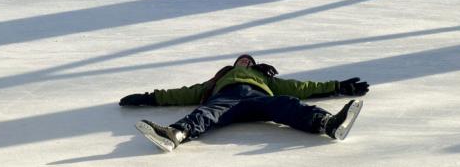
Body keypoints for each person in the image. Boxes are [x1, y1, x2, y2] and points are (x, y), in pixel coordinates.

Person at [119, 54, 369, 152]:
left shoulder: (266, 78)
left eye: (248, 61)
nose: (245, 62)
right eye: (241, 60)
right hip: (226, 98)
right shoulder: (217, 80)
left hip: (259, 98)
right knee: (206, 112)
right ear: (234, 65)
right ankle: (175, 134)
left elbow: (302, 87)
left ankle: (328, 124)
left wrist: (337, 87)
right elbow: (184, 93)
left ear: (255, 65)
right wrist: (149, 97)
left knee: (288, 103)